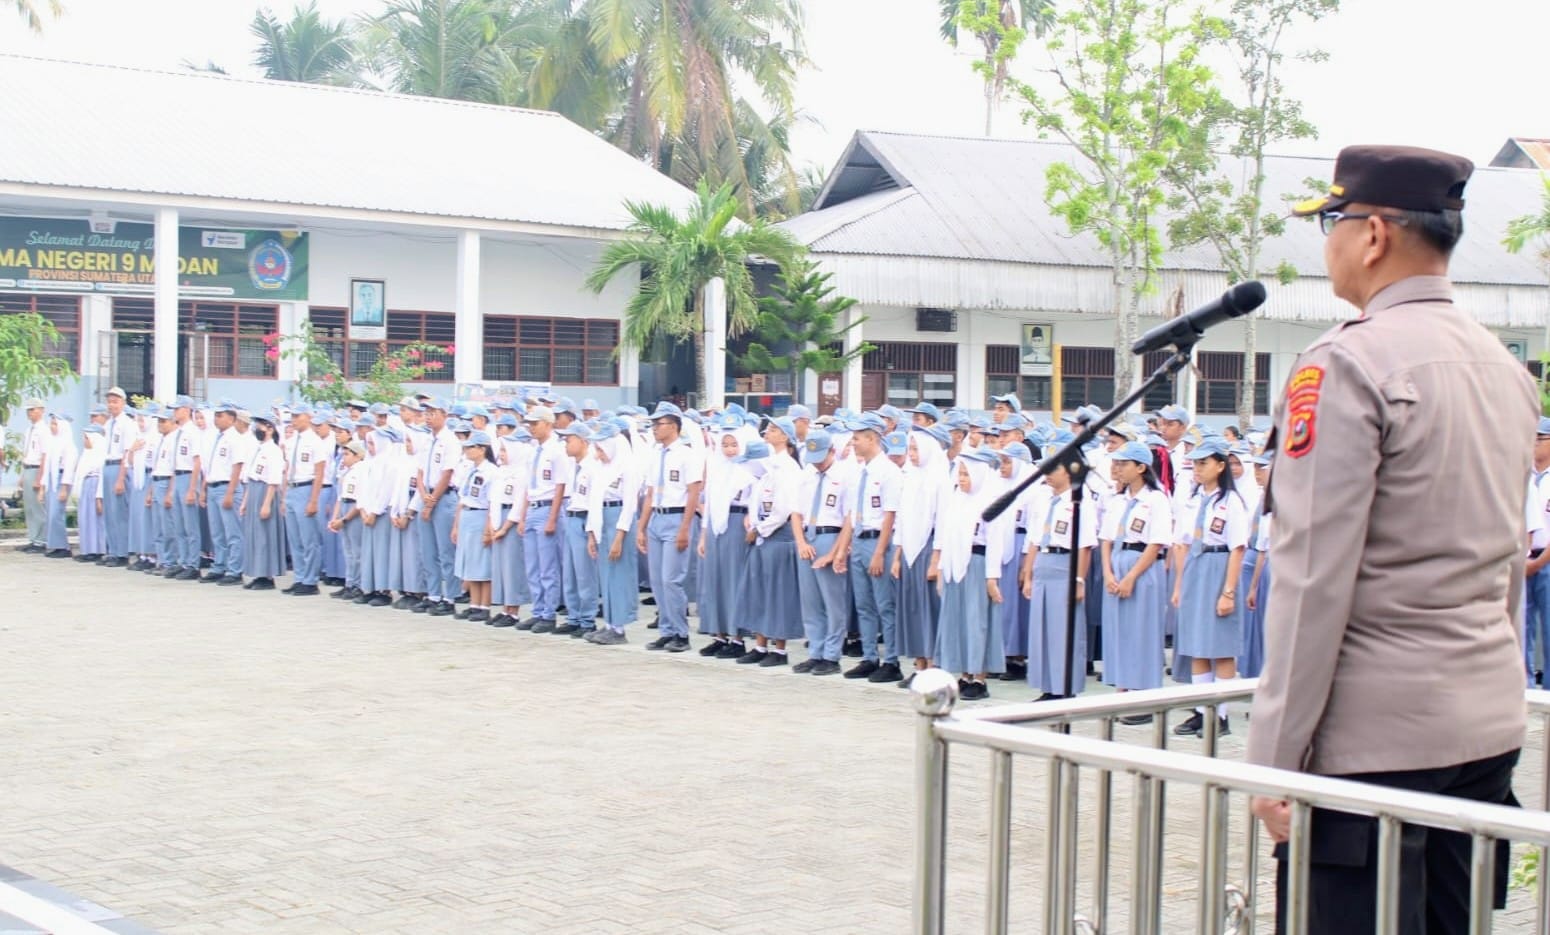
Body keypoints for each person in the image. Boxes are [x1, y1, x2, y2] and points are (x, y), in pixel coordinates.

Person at [1248, 145, 1537, 934]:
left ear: (1373, 234)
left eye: (1331, 224)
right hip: (1483, 725)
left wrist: (1273, 760)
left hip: (1373, 749)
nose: (1328, 244)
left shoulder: (1346, 363)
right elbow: (1507, 555)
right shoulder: (1504, 367)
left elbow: (1312, 583)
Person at [1170, 438, 1248, 737]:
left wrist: (1228, 591)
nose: (1198, 469)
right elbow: (1182, 543)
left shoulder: (1231, 502)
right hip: (1195, 568)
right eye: (1195, 463)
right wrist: (1179, 585)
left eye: (1204, 463)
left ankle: (1222, 715)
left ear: (1220, 465)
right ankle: (1202, 711)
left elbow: (1237, 548)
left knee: (1221, 648)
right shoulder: (1192, 500)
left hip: (1219, 568)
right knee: (1197, 645)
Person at [1099, 441, 1173, 724]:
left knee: (1141, 632)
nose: (1117, 468)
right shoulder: (1117, 500)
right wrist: (1108, 573)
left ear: (1141, 468)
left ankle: (1144, 698)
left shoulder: (1156, 499)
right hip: (1117, 562)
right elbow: (1105, 540)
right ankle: (1121, 690)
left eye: (1123, 463)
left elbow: (1156, 543)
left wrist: (1130, 577)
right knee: (1119, 630)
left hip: (1141, 566)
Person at [930, 446, 1008, 700]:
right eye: (960, 474)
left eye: (966, 474)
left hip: (977, 564)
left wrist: (992, 577)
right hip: (955, 566)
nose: (962, 479)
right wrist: (941, 568)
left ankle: (979, 677)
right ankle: (964, 674)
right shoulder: (957, 499)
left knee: (978, 622)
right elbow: (945, 534)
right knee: (958, 620)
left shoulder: (991, 499)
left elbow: (996, 542)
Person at [1019, 455, 1096, 699]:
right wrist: (1028, 574)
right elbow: (1033, 540)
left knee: (1064, 631)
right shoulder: (1044, 500)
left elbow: (1084, 545)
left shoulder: (1080, 501)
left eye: (1055, 468)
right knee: (1042, 629)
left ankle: (1065, 687)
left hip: (1066, 564)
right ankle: (1047, 686)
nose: (1048, 473)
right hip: (1043, 562)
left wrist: (1079, 580)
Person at [836, 413, 904, 683]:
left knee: (885, 604)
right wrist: (843, 548)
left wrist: (879, 552)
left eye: (857, 438)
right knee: (864, 605)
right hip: (860, 540)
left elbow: (890, 514)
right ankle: (869, 656)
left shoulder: (888, 472)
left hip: (879, 542)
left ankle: (892, 660)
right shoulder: (858, 472)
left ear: (872, 438)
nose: (853, 443)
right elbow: (853, 512)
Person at [636, 402, 703, 652]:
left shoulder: (687, 455)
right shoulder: (656, 454)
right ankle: (666, 629)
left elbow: (693, 492)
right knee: (657, 580)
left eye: (658, 424)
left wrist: (685, 528)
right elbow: (651, 495)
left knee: (671, 579)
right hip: (657, 518)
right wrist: (641, 527)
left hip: (676, 518)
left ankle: (680, 633)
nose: (654, 428)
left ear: (673, 426)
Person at [892, 425, 948, 688]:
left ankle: (934, 666)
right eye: (909, 449)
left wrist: (936, 559)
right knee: (912, 608)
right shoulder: (910, 477)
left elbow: (942, 522)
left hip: (928, 550)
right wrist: (897, 555)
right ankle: (919, 664)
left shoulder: (939, 478)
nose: (911, 454)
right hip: (909, 551)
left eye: (915, 449)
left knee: (930, 610)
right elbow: (902, 518)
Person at [697, 414, 757, 656]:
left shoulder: (750, 469)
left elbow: (756, 499)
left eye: (733, 444)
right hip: (715, 527)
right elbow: (710, 504)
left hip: (736, 524)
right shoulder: (717, 467)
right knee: (714, 580)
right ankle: (718, 634)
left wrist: (752, 522)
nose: (729, 450)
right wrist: (703, 535)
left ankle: (737, 637)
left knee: (733, 580)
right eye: (725, 444)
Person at [795, 428, 853, 676]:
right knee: (811, 602)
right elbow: (795, 513)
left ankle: (832, 654)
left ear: (832, 451)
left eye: (821, 456)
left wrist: (836, 551)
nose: (817, 463)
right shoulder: (806, 475)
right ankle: (815, 651)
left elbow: (849, 518)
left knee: (833, 602)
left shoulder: (844, 476)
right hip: (808, 535)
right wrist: (800, 542)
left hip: (831, 535)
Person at [584, 421, 639, 645]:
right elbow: (593, 501)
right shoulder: (601, 470)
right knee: (605, 575)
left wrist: (619, 536)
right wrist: (591, 534)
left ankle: (619, 627)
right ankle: (608, 623)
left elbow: (629, 505)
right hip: (601, 519)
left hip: (618, 521)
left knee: (618, 575)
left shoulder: (628, 466)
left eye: (600, 449)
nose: (598, 454)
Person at [521, 406, 569, 631]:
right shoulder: (532, 450)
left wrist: (552, 518)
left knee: (548, 565)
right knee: (533, 565)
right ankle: (538, 609)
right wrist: (522, 515)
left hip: (548, 507)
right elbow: (527, 486)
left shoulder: (557, 450)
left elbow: (560, 485)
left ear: (548, 424)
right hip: (533, 506)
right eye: (529, 424)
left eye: (535, 423)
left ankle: (549, 613)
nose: (531, 428)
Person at [556, 422, 600, 637]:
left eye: (569, 439)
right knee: (570, 573)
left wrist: (591, 530)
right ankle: (573, 616)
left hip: (584, 518)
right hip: (571, 517)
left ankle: (588, 619)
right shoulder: (574, 466)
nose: (566, 444)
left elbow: (593, 501)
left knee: (585, 574)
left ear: (583, 441)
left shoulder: (592, 466)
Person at [200, 401, 249, 585]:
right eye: (215, 415)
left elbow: (237, 466)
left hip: (227, 487)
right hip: (213, 486)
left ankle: (235, 570)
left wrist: (230, 493)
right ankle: (219, 565)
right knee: (217, 532)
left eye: (220, 416)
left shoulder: (234, 438)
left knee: (233, 532)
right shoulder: (216, 437)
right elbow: (211, 467)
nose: (216, 419)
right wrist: (204, 490)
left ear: (231, 417)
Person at [451, 431, 497, 622]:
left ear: (482, 449)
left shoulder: (491, 472)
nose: (467, 451)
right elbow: (463, 499)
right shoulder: (471, 470)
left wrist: (488, 528)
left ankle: (484, 606)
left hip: (480, 515)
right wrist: (456, 525)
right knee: (470, 561)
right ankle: (474, 604)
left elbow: (491, 502)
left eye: (471, 447)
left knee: (482, 563)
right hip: (467, 515)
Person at [281, 404, 327, 595]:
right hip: (292, 488)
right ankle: (299, 577)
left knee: (309, 539)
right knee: (295, 538)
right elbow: (287, 469)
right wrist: (284, 497)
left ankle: (310, 580)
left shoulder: (315, 441)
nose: (293, 420)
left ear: (308, 417)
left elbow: (319, 472)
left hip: (306, 488)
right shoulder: (292, 441)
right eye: (292, 416)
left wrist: (314, 500)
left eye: (297, 416)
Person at [240, 414, 286, 590]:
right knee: (254, 534)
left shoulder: (274, 450)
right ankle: (256, 572)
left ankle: (266, 575)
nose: (256, 429)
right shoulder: (258, 449)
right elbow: (250, 476)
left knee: (264, 535)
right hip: (254, 490)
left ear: (270, 428)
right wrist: (245, 501)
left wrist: (266, 503)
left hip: (266, 492)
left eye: (260, 425)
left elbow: (274, 480)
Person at [1239, 452, 1274, 679]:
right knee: (1261, 628)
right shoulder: (1263, 499)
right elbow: (1262, 547)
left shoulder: (1285, 498)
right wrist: (1253, 586)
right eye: (1257, 468)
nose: (1258, 473)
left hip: (1283, 562)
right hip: (1266, 562)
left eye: (1264, 468)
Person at [100, 386, 138, 566]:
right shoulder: (108, 424)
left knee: (120, 512)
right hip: (107, 466)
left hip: (119, 467)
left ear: (123, 403)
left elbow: (126, 452)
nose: (111, 405)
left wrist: (121, 478)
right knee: (109, 512)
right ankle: (113, 550)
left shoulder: (127, 424)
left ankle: (122, 552)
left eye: (115, 401)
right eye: (109, 401)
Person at [1525, 417, 1550, 684]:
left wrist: (1540, 561)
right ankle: (1525, 687)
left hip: (1547, 560)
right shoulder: (1525, 475)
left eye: (1539, 438)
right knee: (1523, 628)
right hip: (1525, 559)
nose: (1533, 444)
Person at [329, 440, 367, 601]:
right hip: (345, 505)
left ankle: (358, 585)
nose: (344, 458)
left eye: (347, 454)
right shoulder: (346, 472)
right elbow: (340, 497)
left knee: (357, 552)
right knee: (348, 551)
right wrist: (335, 517)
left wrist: (344, 519)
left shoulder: (361, 471)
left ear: (358, 456)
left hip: (353, 511)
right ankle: (350, 583)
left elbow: (360, 502)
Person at [43, 413, 77, 558]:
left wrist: (64, 488)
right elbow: (47, 466)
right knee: (51, 513)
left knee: (57, 514)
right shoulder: (52, 442)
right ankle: (55, 545)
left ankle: (63, 546)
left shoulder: (69, 445)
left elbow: (69, 468)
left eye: (55, 424)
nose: (52, 427)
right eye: (51, 423)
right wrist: (43, 485)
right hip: (52, 479)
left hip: (62, 479)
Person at [18, 398, 49, 553]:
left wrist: (40, 478)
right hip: (28, 468)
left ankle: (41, 540)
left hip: (37, 468)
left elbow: (44, 455)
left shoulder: (44, 430)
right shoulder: (29, 430)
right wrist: (23, 475)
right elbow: (27, 454)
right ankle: (33, 538)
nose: (29, 413)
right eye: (28, 410)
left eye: (33, 409)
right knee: (29, 507)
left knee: (38, 507)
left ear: (41, 410)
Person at [72, 424, 106, 561]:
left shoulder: (101, 454)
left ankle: (97, 550)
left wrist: (99, 497)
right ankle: (87, 549)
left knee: (94, 520)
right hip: (86, 486)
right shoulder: (87, 454)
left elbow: (102, 477)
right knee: (85, 519)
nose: (84, 441)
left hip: (95, 484)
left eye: (87, 438)